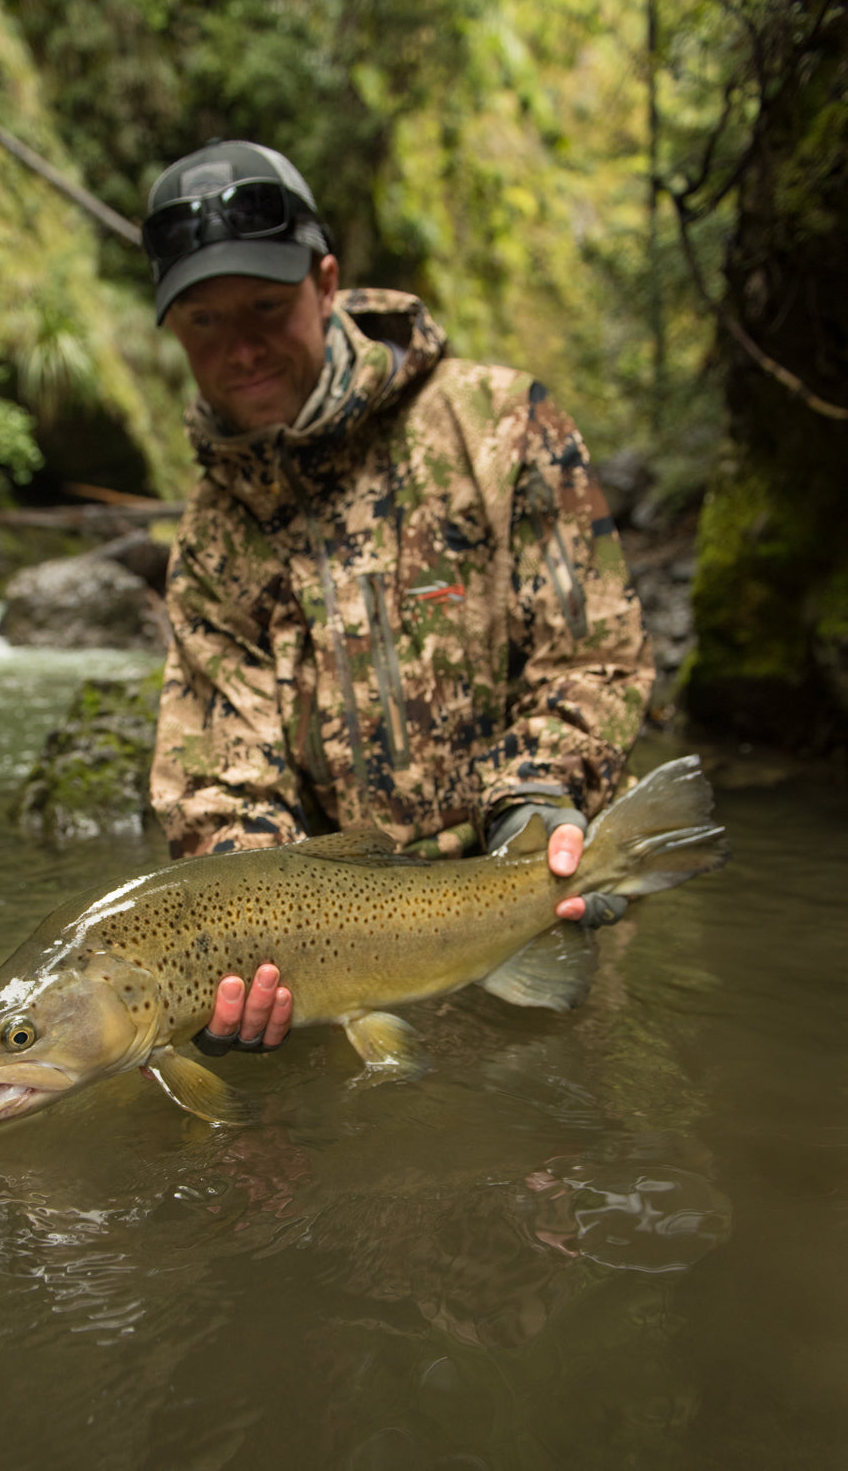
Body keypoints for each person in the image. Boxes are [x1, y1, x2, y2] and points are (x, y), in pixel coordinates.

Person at [141, 139, 654, 1053]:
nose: (242, 347)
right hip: (332, 981)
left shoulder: (501, 425)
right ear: (172, 328)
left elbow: (592, 655)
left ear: (326, 280)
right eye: (204, 321)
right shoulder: (211, 544)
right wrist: (226, 951)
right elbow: (221, 778)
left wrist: (542, 804)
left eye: (266, 306)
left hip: (530, 904)